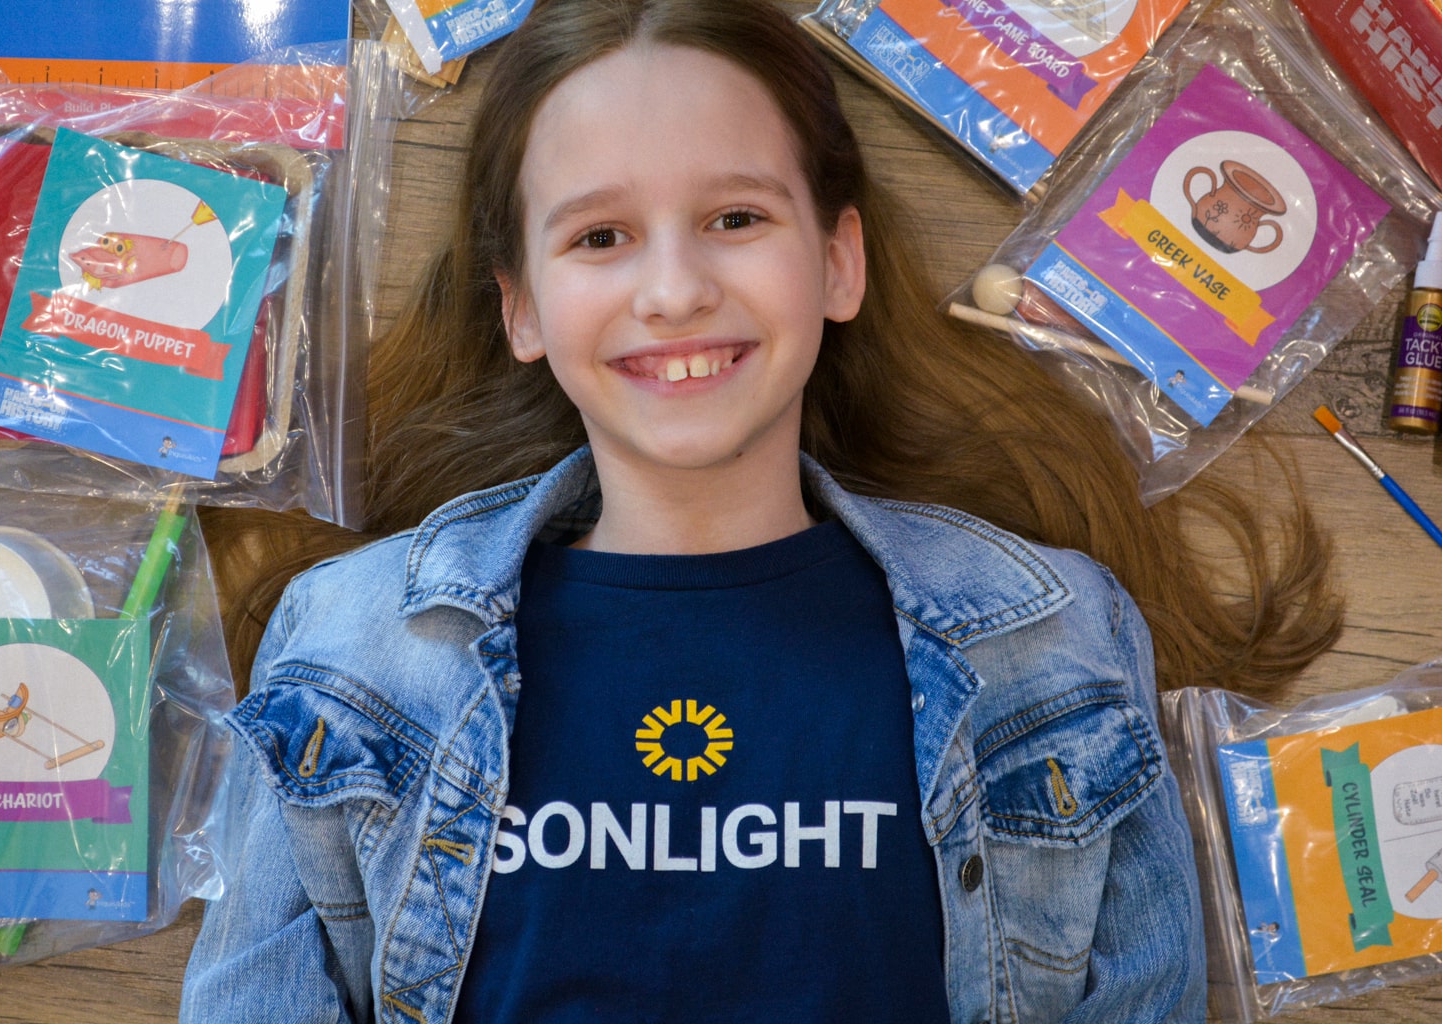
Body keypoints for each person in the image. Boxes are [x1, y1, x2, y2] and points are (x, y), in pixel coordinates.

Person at [183, 0, 1343, 1020]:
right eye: (601, 236)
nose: (676, 288)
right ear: (522, 308)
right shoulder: (344, 649)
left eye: (737, 218)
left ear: (839, 263)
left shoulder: (1054, 643)